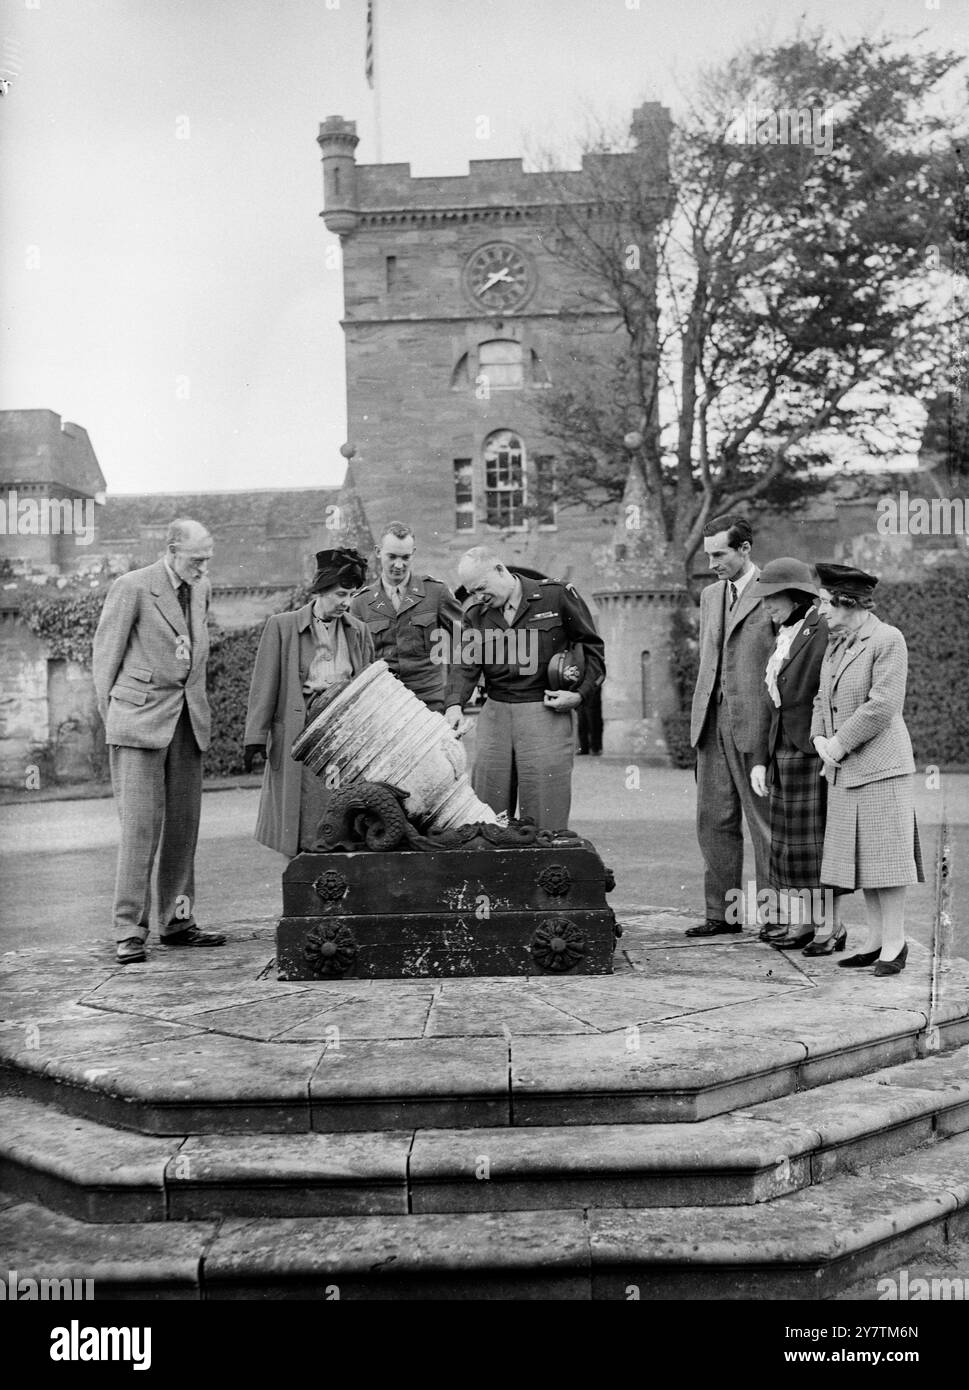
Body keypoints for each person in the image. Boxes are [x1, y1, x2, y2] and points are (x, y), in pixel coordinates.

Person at [92, 517, 223, 964]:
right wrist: (116, 721)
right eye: (196, 559)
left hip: (188, 721)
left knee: (184, 829)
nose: (203, 567)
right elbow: (104, 658)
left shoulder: (200, 588)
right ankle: (128, 930)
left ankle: (178, 921)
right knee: (140, 829)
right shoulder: (132, 587)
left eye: (208, 559)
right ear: (171, 549)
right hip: (138, 722)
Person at [811, 563, 923, 976]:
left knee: (887, 863)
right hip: (843, 768)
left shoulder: (888, 639)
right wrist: (820, 740)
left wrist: (838, 744)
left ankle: (896, 945)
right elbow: (822, 700)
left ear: (846, 601)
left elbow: (882, 705)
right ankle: (875, 943)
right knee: (864, 863)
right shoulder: (836, 643)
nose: (821, 611)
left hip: (881, 768)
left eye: (825, 602)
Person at [444, 548, 605, 831]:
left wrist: (579, 695)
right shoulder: (476, 614)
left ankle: (546, 872)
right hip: (496, 714)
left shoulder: (557, 595)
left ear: (499, 570)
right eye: (472, 591)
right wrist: (454, 704)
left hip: (545, 711)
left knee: (546, 812)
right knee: (487, 813)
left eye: (481, 588)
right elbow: (465, 664)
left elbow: (593, 650)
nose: (479, 597)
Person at [244, 548, 374, 858]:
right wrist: (255, 737)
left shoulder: (359, 631)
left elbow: (369, 688)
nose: (346, 601)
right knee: (300, 822)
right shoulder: (282, 626)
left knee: (342, 818)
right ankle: (301, 888)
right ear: (321, 590)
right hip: (298, 736)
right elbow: (265, 685)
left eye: (352, 594)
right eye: (340, 593)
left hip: (343, 740)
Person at [688, 514, 775, 938]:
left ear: (745, 549)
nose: (712, 563)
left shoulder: (775, 592)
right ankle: (722, 915)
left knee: (764, 824)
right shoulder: (709, 596)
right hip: (710, 723)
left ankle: (777, 918)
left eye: (719, 554)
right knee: (713, 820)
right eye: (708, 555)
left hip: (757, 724)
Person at [749, 558, 841, 953]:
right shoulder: (784, 633)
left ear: (796, 594)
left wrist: (827, 743)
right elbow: (773, 704)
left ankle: (831, 928)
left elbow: (830, 693)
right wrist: (761, 757)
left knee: (816, 846)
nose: (766, 606)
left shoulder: (822, 628)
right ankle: (804, 923)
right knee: (791, 848)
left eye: (772, 597)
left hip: (812, 748)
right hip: (783, 749)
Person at [349, 522, 462, 712]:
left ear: (414, 553)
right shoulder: (360, 603)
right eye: (391, 557)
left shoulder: (436, 592)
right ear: (378, 552)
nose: (399, 565)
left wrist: (454, 701)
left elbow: (464, 643)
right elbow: (355, 662)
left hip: (431, 703)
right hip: (383, 706)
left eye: (405, 557)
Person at [577, 683, 603, 756]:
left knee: (594, 726)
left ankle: (595, 748)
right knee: (581, 726)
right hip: (582, 703)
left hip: (592, 703)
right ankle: (584, 748)